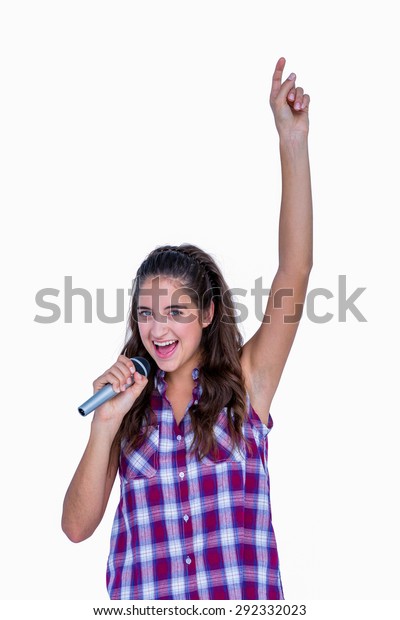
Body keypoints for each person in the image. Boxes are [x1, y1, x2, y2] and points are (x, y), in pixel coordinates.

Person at [62, 56, 313, 600]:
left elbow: (295, 270)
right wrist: (104, 425)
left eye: (177, 311)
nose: (159, 327)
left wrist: (291, 141)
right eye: (147, 313)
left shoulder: (247, 383)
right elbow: (76, 528)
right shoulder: (126, 407)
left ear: (206, 314)